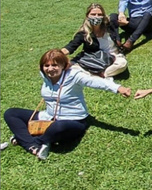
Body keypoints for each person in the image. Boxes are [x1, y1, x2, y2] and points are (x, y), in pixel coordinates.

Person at [2, 49, 131, 160]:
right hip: (49, 117)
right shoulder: (45, 77)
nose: (50, 69)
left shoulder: (74, 75)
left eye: (55, 65)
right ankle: (33, 145)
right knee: (11, 113)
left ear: (63, 65)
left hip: (73, 120)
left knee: (58, 127)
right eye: (46, 65)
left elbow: (95, 82)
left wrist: (118, 88)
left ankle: (30, 139)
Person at [61, 3, 127, 78]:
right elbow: (71, 46)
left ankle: (99, 75)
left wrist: (122, 16)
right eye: (93, 14)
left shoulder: (109, 25)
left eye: (99, 14)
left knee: (122, 64)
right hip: (96, 59)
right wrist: (55, 55)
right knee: (73, 68)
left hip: (114, 57)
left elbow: (115, 16)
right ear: (87, 16)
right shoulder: (84, 33)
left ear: (103, 16)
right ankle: (97, 74)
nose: (96, 17)